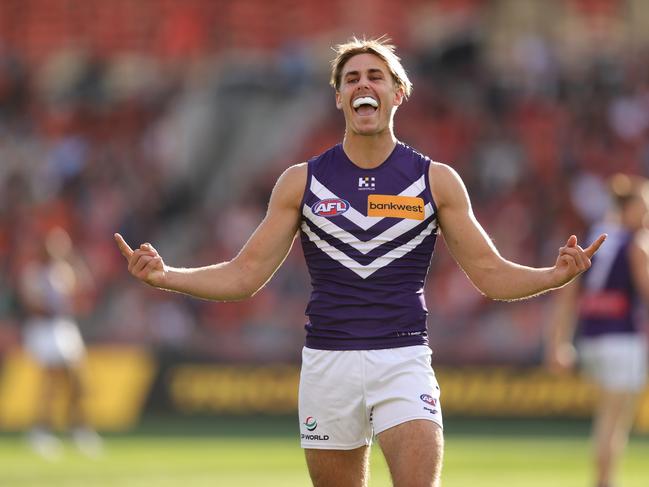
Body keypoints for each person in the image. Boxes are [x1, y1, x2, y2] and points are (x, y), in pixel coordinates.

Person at [115, 37, 606, 487]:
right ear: (338, 98)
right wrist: (168, 276)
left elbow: (491, 275)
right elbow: (245, 275)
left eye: (376, 77)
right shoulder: (300, 181)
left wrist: (554, 275)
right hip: (328, 364)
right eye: (351, 78)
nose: (363, 85)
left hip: (403, 360)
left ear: (398, 94)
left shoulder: (436, 180)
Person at [545, 173, 648, 487]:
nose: (645, 215)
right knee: (614, 424)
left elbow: (567, 296)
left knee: (606, 419)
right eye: (642, 207)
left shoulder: (593, 238)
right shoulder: (636, 244)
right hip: (623, 340)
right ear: (627, 208)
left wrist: (559, 343)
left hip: (592, 339)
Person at [19, 226, 102, 459]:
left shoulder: (64, 270)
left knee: (79, 380)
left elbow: (85, 287)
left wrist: (74, 260)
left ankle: (79, 429)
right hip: (44, 328)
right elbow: (32, 304)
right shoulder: (34, 273)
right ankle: (41, 431)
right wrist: (57, 305)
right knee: (50, 381)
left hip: (63, 326)